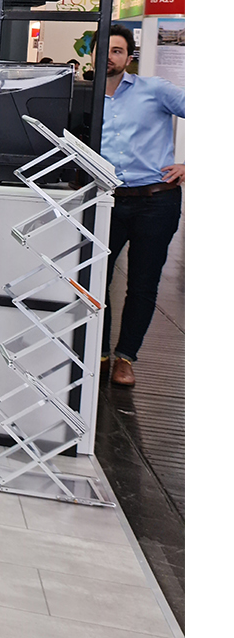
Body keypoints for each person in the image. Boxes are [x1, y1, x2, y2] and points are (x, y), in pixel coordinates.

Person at [98, 23, 185, 388]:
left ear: (129, 57)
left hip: (156, 200)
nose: (109, 57)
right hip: (107, 200)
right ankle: (100, 353)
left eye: (117, 51)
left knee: (142, 283)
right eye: (104, 50)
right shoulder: (82, 98)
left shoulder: (155, 90)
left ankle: (125, 358)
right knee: (95, 279)